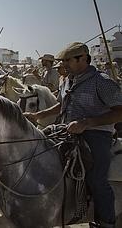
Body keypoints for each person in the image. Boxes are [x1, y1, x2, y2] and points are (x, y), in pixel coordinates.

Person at [25, 42, 122, 228]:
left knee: (97, 179)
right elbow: (61, 104)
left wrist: (87, 123)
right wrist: (38, 115)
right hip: (66, 130)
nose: (64, 64)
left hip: (96, 135)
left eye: (67, 60)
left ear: (83, 58)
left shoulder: (102, 82)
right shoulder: (68, 80)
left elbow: (119, 112)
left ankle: (106, 222)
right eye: (63, 61)